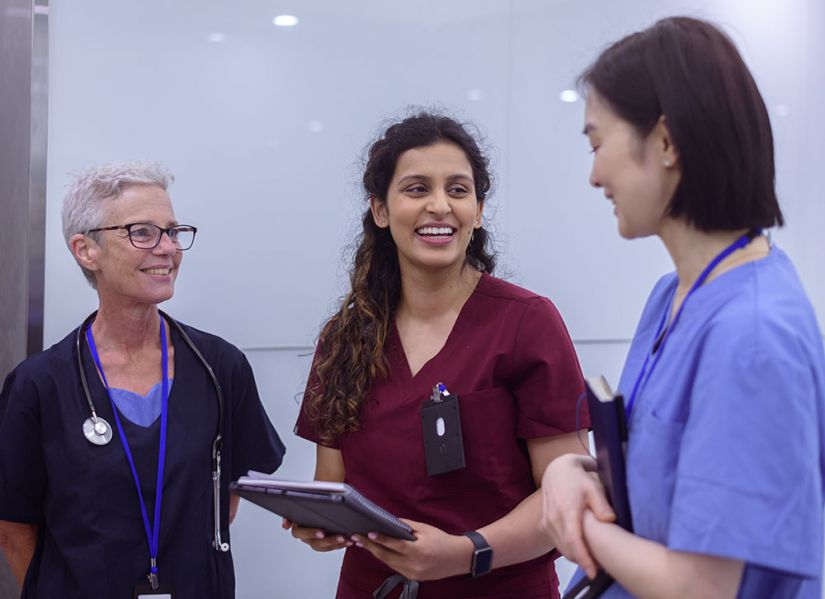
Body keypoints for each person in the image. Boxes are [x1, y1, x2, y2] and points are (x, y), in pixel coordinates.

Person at [540, 16, 825, 598]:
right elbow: (665, 479)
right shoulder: (674, 297)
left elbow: (704, 587)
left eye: (598, 145)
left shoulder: (751, 334)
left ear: (666, 142)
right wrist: (570, 472)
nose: (594, 176)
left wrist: (580, 526)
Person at [287, 112, 588, 598]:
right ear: (380, 211)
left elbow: (568, 496)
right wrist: (320, 523)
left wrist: (465, 551)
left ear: (479, 209)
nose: (439, 206)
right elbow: (333, 483)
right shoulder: (345, 338)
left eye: (458, 189)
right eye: (416, 188)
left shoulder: (527, 322)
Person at [0, 161, 286, 598]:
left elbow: (222, 503)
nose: (168, 248)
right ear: (85, 250)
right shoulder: (38, 386)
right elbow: (15, 528)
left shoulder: (220, 367)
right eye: (143, 232)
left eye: (172, 231)